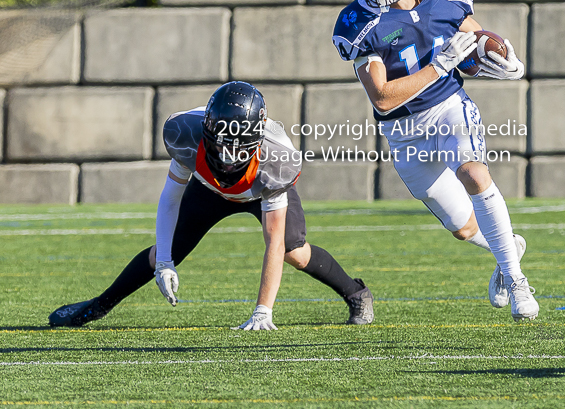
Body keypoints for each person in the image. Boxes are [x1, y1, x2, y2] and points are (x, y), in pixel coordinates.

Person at [332, 0, 538, 321]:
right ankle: (507, 247)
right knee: (462, 228)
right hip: (402, 130)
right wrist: (440, 66)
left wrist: (504, 61)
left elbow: (476, 40)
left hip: (448, 108)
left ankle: (516, 281)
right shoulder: (360, 23)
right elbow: (383, 98)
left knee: (475, 175)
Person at [49, 82, 374, 329]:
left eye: (240, 147)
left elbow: (273, 241)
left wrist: (263, 310)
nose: (230, 156)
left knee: (295, 253)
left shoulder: (277, 159)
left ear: (258, 139)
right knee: (161, 252)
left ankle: (356, 293)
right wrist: (164, 262)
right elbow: (170, 197)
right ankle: (98, 306)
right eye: (223, 145)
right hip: (209, 190)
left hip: (258, 192)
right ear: (207, 128)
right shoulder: (185, 133)